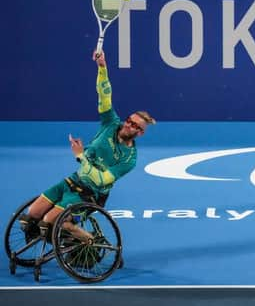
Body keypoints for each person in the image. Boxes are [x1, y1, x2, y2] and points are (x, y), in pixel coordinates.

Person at [19, 50, 156, 242]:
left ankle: (90, 242)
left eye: (135, 126)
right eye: (129, 120)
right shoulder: (110, 123)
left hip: (91, 195)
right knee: (31, 215)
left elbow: (101, 180)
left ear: (140, 133)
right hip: (73, 181)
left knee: (49, 221)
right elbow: (104, 93)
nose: (128, 125)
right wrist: (102, 68)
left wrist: (80, 156)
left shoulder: (129, 159)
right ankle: (57, 239)